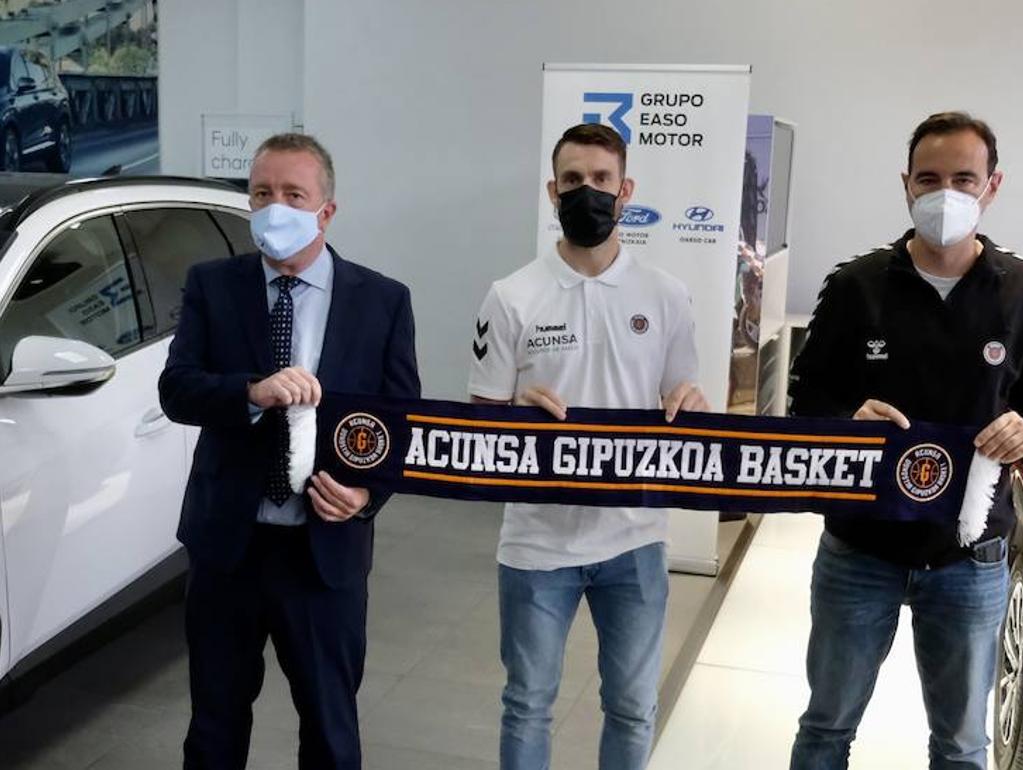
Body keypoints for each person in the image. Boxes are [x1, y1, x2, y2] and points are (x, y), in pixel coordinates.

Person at [787, 111, 1023, 770]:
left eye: (964, 179)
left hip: (968, 556)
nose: (946, 194)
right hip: (860, 550)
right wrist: (845, 421)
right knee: (826, 725)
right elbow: (807, 400)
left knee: (962, 744)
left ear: (992, 186)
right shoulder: (856, 286)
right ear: (906, 185)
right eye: (929, 178)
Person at [159, 132, 421, 769]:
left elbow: (401, 422)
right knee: (215, 726)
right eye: (261, 193)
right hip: (229, 545)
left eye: (292, 194)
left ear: (326, 211)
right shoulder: (213, 285)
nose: (274, 206)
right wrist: (250, 391)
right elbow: (177, 389)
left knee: (330, 729)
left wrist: (365, 494)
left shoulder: (382, 301)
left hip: (323, 553)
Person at [468, 122, 708, 770]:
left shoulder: (666, 295)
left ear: (626, 190)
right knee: (527, 703)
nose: (587, 191)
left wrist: (692, 409)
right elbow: (478, 425)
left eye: (602, 179)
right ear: (553, 191)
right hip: (536, 542)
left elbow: (681, 402)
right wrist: (513, 417)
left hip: (634, 537)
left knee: (632, 707)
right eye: (573, 180)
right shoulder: (510, 296)